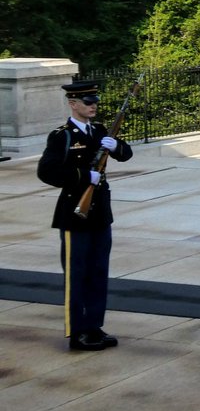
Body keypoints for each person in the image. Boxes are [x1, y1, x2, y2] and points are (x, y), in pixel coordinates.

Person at [36, 80, 133, 351]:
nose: (93, 106)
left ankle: (94, 326)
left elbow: (126, 155)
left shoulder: (100, 130)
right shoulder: (62, 135)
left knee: (98, 271)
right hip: (74, 212)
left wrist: (116, 147)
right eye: (88, 102)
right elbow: (47, 172)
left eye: (95, 102)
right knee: (76, 274)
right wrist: (81, 177)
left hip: (100, 212)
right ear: (73, 103)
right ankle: (77, 332)